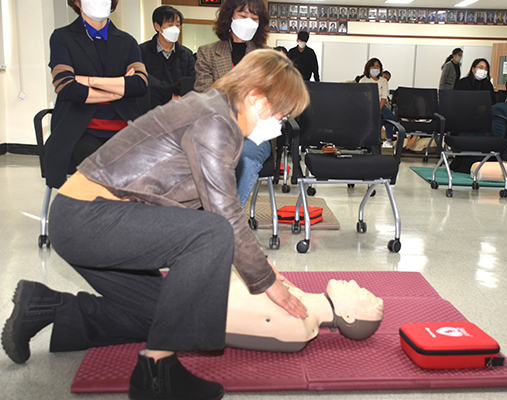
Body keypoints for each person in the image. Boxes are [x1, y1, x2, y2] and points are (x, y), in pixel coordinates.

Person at [2, 50, 310, 400]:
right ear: (255, 97)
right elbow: (223, 215)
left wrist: (257, 266)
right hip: (88, 216)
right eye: (281, 114)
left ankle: (43, 306)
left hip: (89, 218)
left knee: (165, 314)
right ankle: (156, 373)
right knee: (213, 231)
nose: (280, 125)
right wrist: (266, 281)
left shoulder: (213, 109)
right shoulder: (216, 121)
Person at [43, 0, 147, 190]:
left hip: (124, 128)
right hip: (80, 130)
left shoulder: (127, 41)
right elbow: (66, 87)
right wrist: (118, 88)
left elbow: (139, 84)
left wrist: (90, 81)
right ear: (77, 2)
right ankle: (104, 215)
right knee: (102, 164)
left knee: (153, 162)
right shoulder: (62, 37)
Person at [194, 0, 272, 207]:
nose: (249, 22)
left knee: (244, 159)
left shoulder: (266, 57)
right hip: (218, 131)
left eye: (254, 19)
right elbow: (204, 95)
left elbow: (271, 101)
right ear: (229, 18)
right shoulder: (207, 53)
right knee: (209, 159)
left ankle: (226, 219)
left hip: (255, 135)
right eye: (243, 16)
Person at [225, 274, 384, 352]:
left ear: (348, 316)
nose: (354, 283)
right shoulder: (298, 296)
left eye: (359, 293)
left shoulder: (299, 325)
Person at [139, 5, 195, 109]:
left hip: (179, 109)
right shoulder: (142, 51)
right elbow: (142, 80)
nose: (175, 29)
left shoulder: (186, 54)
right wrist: (168, 91)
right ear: (157, 26)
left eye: (178, 25)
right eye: (170, 24)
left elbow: (191, 81)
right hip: (149, 110)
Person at [359, 58, 403, 149]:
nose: (375, 68)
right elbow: (362, 97)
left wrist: (378, 109)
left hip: (380, 105)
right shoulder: (363, 80)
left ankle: (389, 138)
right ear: (368, 68)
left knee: (390, 116)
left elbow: (383, 97)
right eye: (373, 66)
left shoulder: (383, 81)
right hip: (367, 106)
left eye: (377, 66)